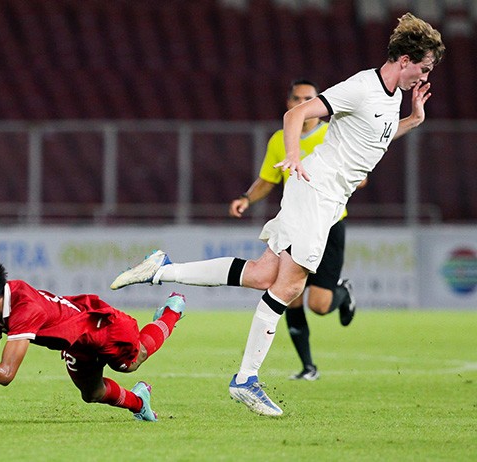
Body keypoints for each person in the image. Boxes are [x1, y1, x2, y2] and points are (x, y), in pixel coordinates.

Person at [110, 13, 444, 416]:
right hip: (316, 188)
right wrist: (293, 156)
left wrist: (413, 120)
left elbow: (375, 140)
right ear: (405, 60)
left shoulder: (393, 98)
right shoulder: (361, 87)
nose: (424, 77)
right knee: (290, 286)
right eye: (424, 68)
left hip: (329, 198)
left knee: (263, 275)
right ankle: (245, 379)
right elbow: (294, 115)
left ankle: (162, 269)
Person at [0, 247, 186, 425]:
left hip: (101, 328)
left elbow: (6, 374)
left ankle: (171, 311)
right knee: (92, 393)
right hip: (76, 343)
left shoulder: (24, 308)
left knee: (133, 361)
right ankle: (139, 401)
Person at [229, 79, 365, 381]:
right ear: (290, 103)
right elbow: (268, 179)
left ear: (320, 104)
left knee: (319, 305)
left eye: (308, 99)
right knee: (289, 294)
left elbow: (360, 176)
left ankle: (343, 292)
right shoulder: (280, 139)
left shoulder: (332, 134)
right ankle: (308, 367)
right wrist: (246, 198)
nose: (303, 104)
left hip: (329, 223)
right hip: (294, 223)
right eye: (297, 99)